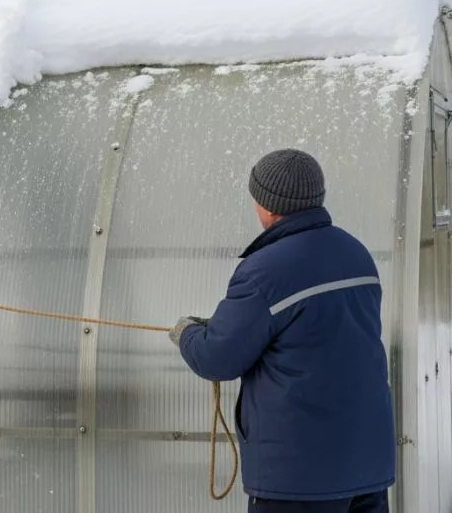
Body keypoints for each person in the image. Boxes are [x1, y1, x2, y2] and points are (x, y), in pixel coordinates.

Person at [169, 149, 395, 512]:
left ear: (268, 206)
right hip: (365, 465)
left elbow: (217, 359)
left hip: (299, 478)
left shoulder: (265, 271)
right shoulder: (356, 254)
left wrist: (186, 333)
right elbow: (314, 334)